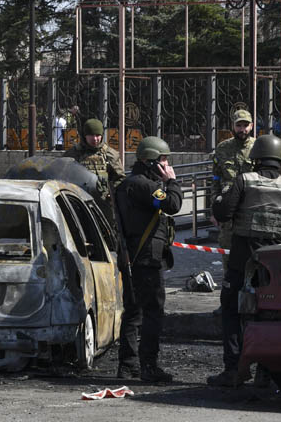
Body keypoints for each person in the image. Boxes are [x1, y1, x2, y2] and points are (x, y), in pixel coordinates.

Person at [207, 134, 281, 387]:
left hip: (242, 256)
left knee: (230, 309)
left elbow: (223, 212)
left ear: (255, 158)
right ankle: (267, 370)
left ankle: (233, 369)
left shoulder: (244, 180)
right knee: (270, 313)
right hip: (274, 262)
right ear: (279, 159)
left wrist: (219, 199)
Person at [115, 136, 183, 382]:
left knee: (133, 312)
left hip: (132, 257)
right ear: (151, 161)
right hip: (147, 258)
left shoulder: (127, 184)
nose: (166, 164)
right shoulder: (144, 185)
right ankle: (148, 366)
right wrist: (172, 181)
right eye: (163, 160)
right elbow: (173, 204)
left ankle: (127, 366)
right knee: (153, 312)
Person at [210, 109, 255, 314]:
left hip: (251, 211)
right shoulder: (222, 149)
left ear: (252, 126)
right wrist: (214, 209)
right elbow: (216, 182)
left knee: (252, 259)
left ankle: (252, 303)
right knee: (228, 257)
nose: (242, 129)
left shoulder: (259, 147)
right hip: (229, 213)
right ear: (233, 126)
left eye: (246, 125)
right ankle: (227, 303)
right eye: (239, 125)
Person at [63, 118, 125, 229]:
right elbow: (62, 175)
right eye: (91, 135)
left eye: (98, 135)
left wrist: (112, 193)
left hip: (103, 202)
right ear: (84, 135)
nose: (95, 139)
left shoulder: (110, 154)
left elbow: (120, 178)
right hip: (79, 201)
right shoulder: (73, 154)